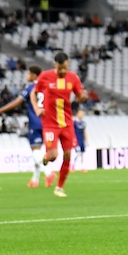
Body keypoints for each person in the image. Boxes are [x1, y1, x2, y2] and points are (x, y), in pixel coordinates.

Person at [31, 51, 87, 198]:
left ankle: (59, 187)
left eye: (64, 68)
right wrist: (37, 108)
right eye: (60, 68)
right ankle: (46, 157)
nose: (62, 71)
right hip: (50, 123)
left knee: (68, 155)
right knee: (53, 155)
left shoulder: (73, 77)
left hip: (67, 122)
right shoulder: (45, 76)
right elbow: (33, 92)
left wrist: (82, 97)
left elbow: (79, 96)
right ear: (55, 64)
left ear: (67, 64)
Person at [0, 65, 54, 187]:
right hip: (49, 123)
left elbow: (16, 102)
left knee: (35, 151)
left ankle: (49, 173)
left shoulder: (31, 88)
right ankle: (35, 180)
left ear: (34, 75)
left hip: (35, 123)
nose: (26, 76)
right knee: (38, 152)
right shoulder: (48, 87)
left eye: (28, 74)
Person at [73, 107, 88, 173]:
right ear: (78, 114)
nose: (82, 115)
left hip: (82, 141)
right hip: (76, 141)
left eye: (83, 114)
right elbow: (72, 132)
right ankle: (73, 165)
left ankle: (82, 167)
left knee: (82, 154)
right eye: (81, 114)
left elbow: (84, 132)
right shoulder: (74, 123)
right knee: (77, 153)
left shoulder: (83, 123)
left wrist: (86, 141)